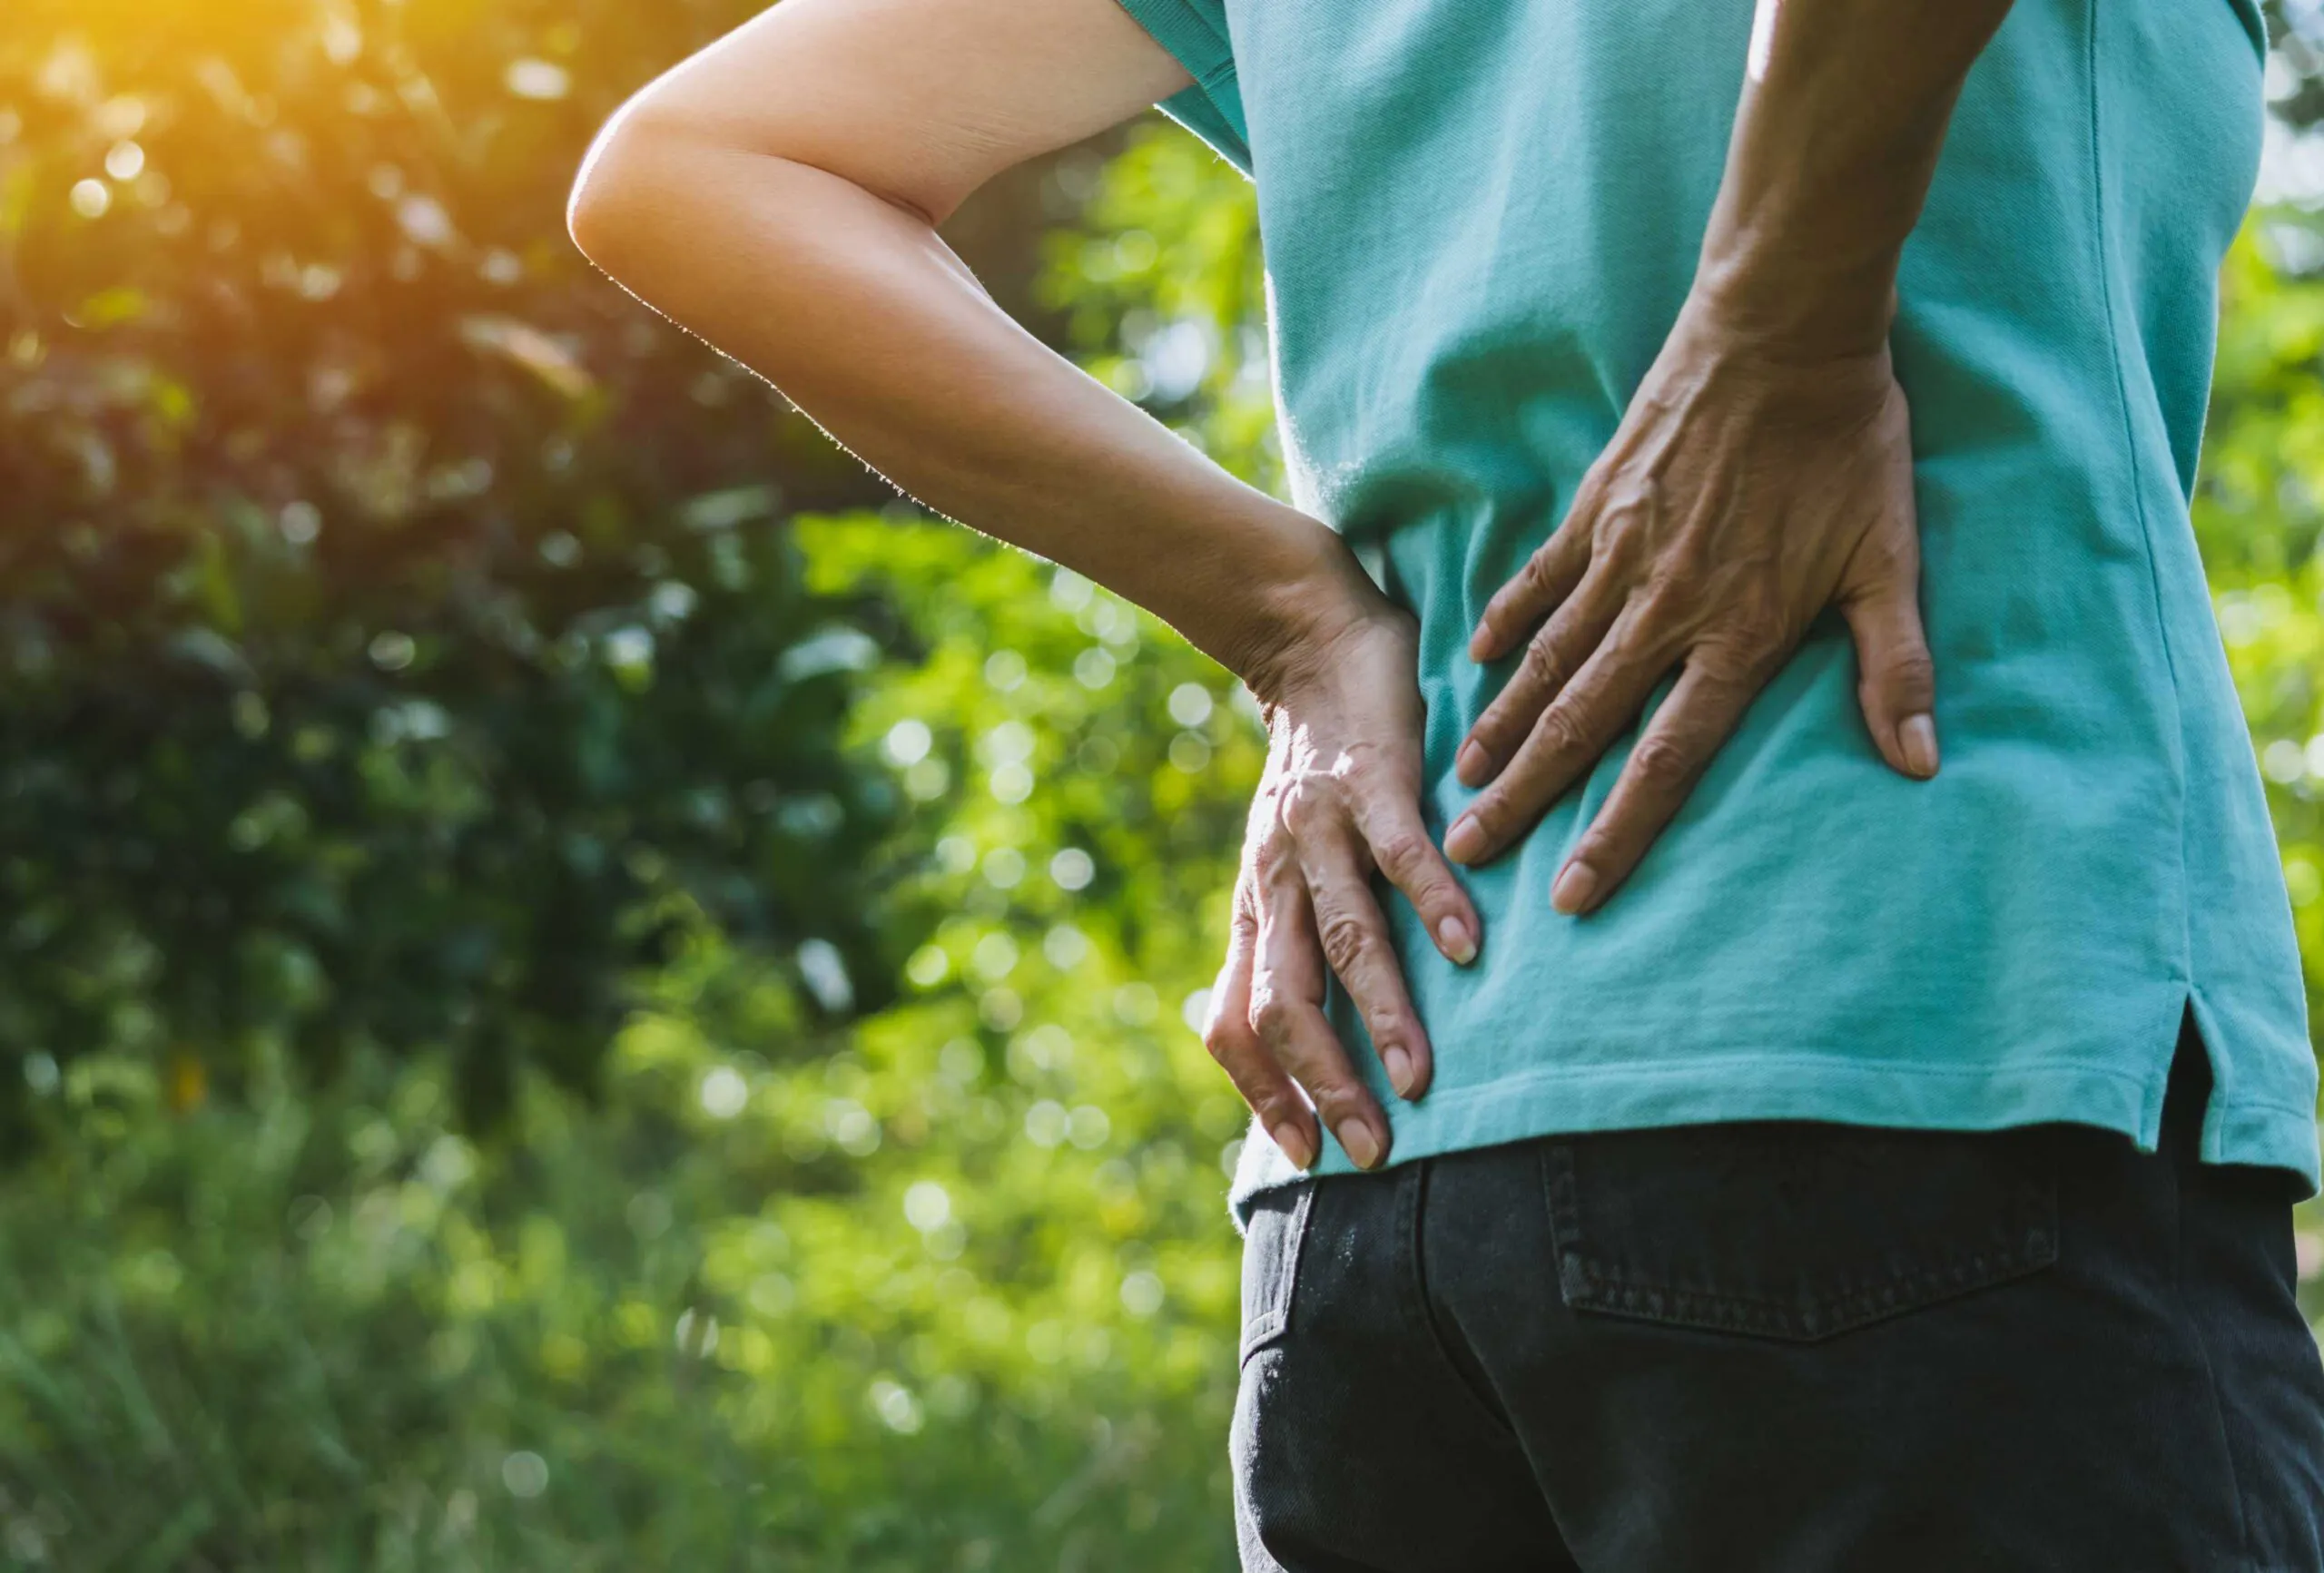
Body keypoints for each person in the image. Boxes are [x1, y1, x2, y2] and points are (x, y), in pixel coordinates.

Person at [566, 0, 2324, 1563]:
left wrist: (1289, 617)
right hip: (1926, 1065)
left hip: (1382, 1200)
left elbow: (708, 164)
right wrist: (1777, 334)